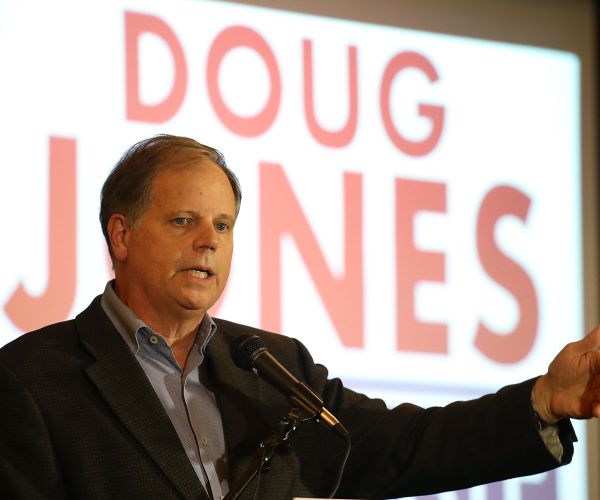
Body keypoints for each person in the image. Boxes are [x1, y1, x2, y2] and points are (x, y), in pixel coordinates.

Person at [0, 134, 598, 500]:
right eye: (183, 221)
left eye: (223, 225)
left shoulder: (271, 367)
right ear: (122, 235)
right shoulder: (32, 381)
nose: (209, 241)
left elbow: (402, 447)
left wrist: (544, 400)